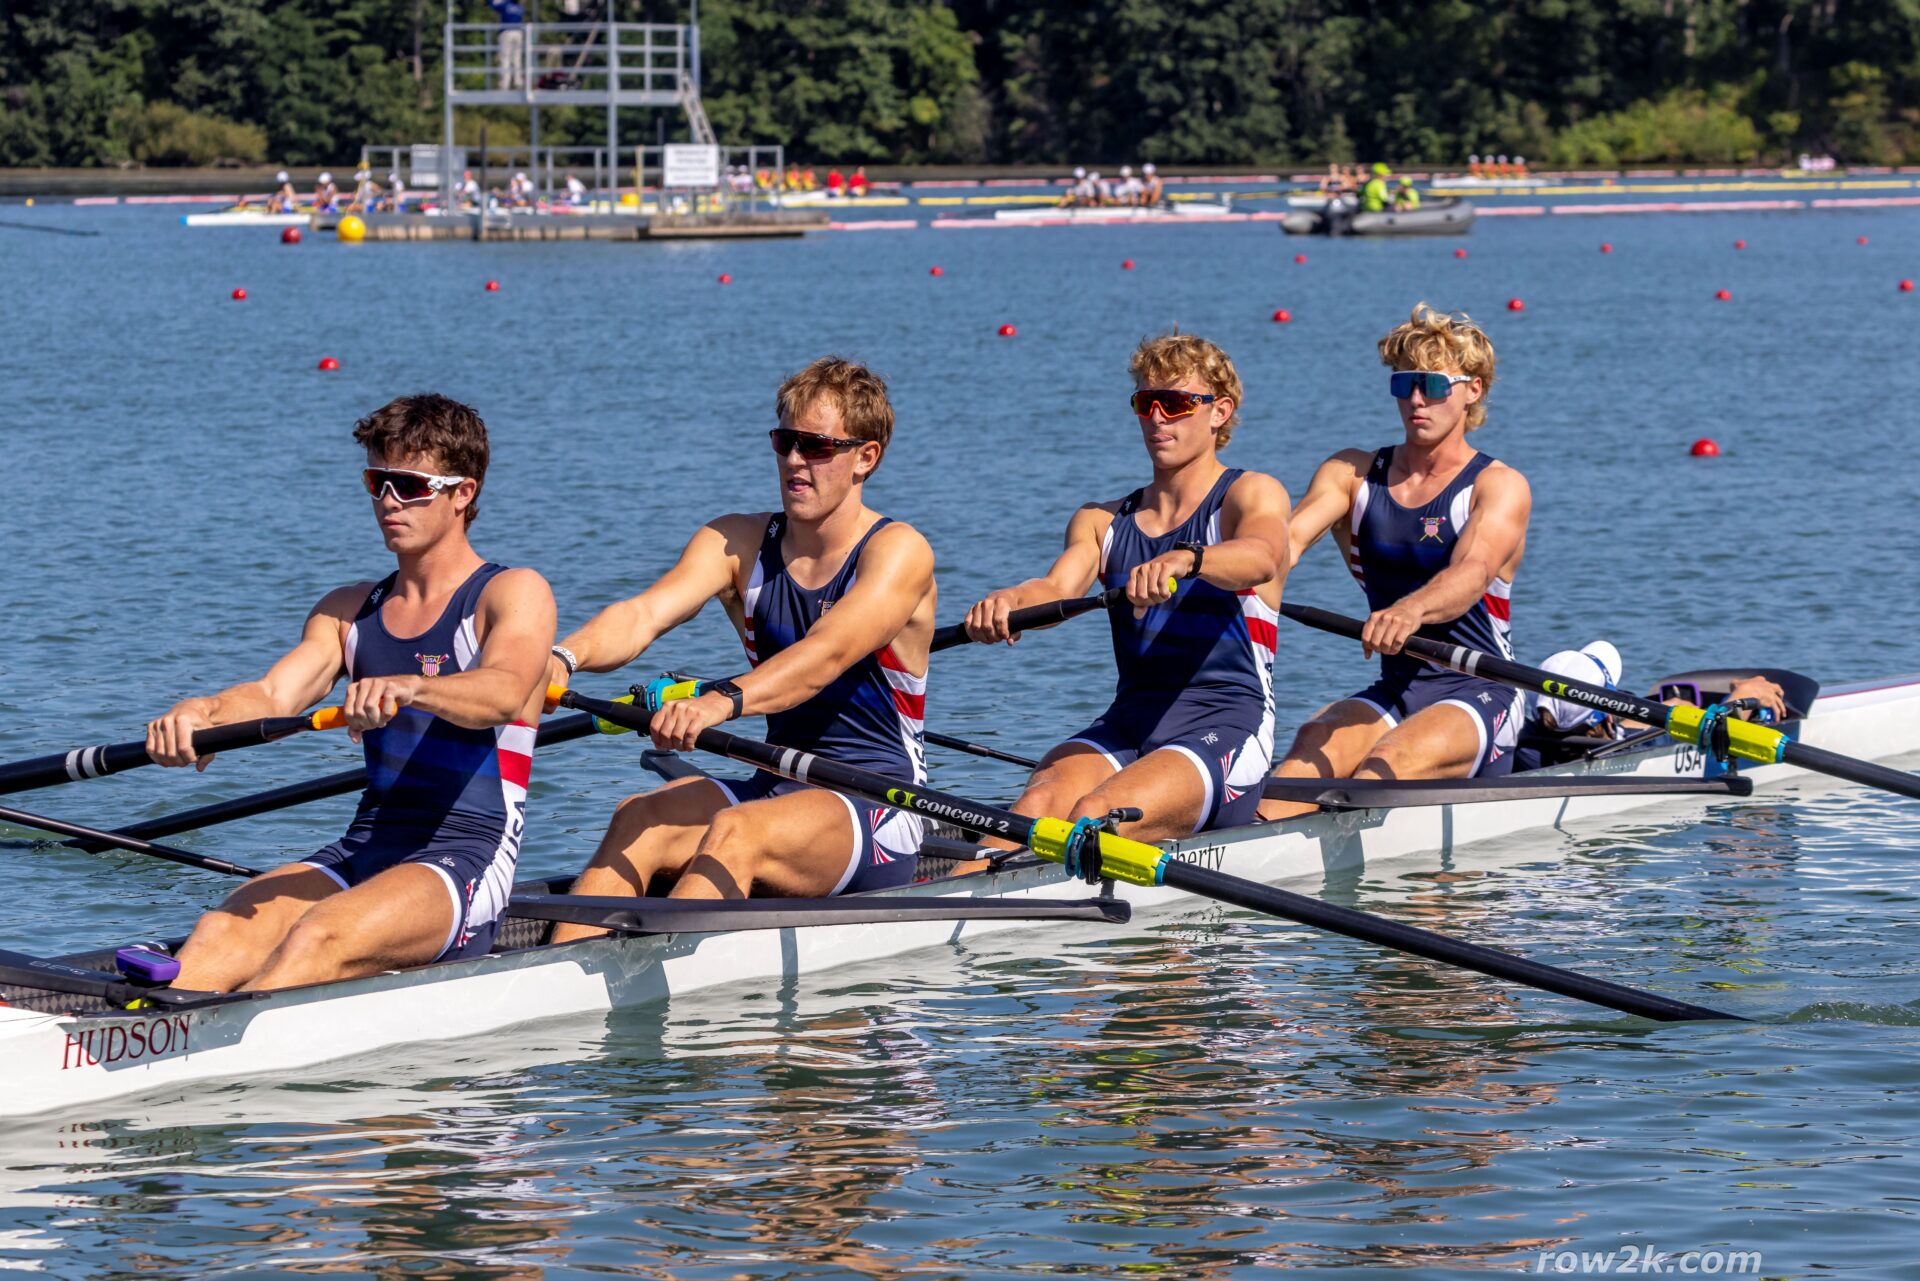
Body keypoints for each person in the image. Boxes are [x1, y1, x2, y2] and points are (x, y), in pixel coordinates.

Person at [145, 395, 557, 993]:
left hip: (468, 854)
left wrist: (413, 687)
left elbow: (504, 691)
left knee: (318, 935)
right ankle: (144, 1042)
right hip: (369, 842)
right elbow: (271, 693)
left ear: (463, 493)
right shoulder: (348, 611)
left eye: (410, 485)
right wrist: (201, 713)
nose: (388, 501)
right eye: (377, 481)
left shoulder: (511, 592)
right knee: (223, 927)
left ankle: (224, 1055)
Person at [545, 357, 936, 929]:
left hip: (879, 805)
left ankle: (659, 983)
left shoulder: (898, 551)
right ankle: (564, 981)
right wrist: (562, 658)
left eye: (817, 447)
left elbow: (821, 657)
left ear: (865, 457)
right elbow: (641, 615)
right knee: (639, 816)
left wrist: (719, 701)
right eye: (785, 442)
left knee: (738, 830)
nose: (796, 461)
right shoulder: (737, 541)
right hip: (776, 781)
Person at [963, 333, 1290, 845]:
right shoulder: (1102, 521)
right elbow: (1054, 589)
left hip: (1227, 725)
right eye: (1146, 402)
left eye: (1178, 403)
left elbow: (1263, 558)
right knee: (1034, 806)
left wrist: (1191, 558)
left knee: (1095, 812)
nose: (1158, 417)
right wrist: (1008, 602)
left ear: (1219, 412)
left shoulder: (1248, 494)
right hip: (1129, 722)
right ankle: (952, 906)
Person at [1258, 304, 1530, 822]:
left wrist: (1410, 611)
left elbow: (1471, 573)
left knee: (1384, 766)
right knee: (1301, 761)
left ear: (1472, 390)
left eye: (1432, 384)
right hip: (1396, 688)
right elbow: (1280, 550)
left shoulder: (1498, 486)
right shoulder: (1353, 473)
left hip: (1480, 692)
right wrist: (1205, 572)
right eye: (1403, 384)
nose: (1416, 399)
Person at [1515, 644, 1789, 771]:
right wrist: (1745, 695)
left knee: (1673, 704)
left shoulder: (1521, 745)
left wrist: (1670, 705)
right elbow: (1710, 729)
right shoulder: (1642, 750)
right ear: (1608, 715)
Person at [491, 0, 525, 90]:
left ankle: (505, 83)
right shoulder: (520, 7)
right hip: (518, 32)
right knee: (517, 59)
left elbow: (493, 5)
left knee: (505, 58)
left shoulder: (506, 5)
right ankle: (518, 82)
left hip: (507, 32)